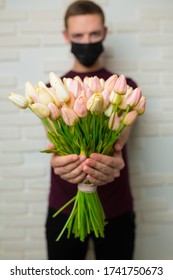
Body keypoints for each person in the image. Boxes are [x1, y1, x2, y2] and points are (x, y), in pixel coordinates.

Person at [46, 0, 137, 260]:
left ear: (104, 33)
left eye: (94, 34)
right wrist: (58, 160)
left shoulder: (124, 87)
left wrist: (114, 153)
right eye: (78, 35)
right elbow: (53, 142)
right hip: (64, 205)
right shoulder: (53, 91)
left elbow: (121, 135)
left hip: (116, 207)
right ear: (66, 36)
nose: (86, 41)